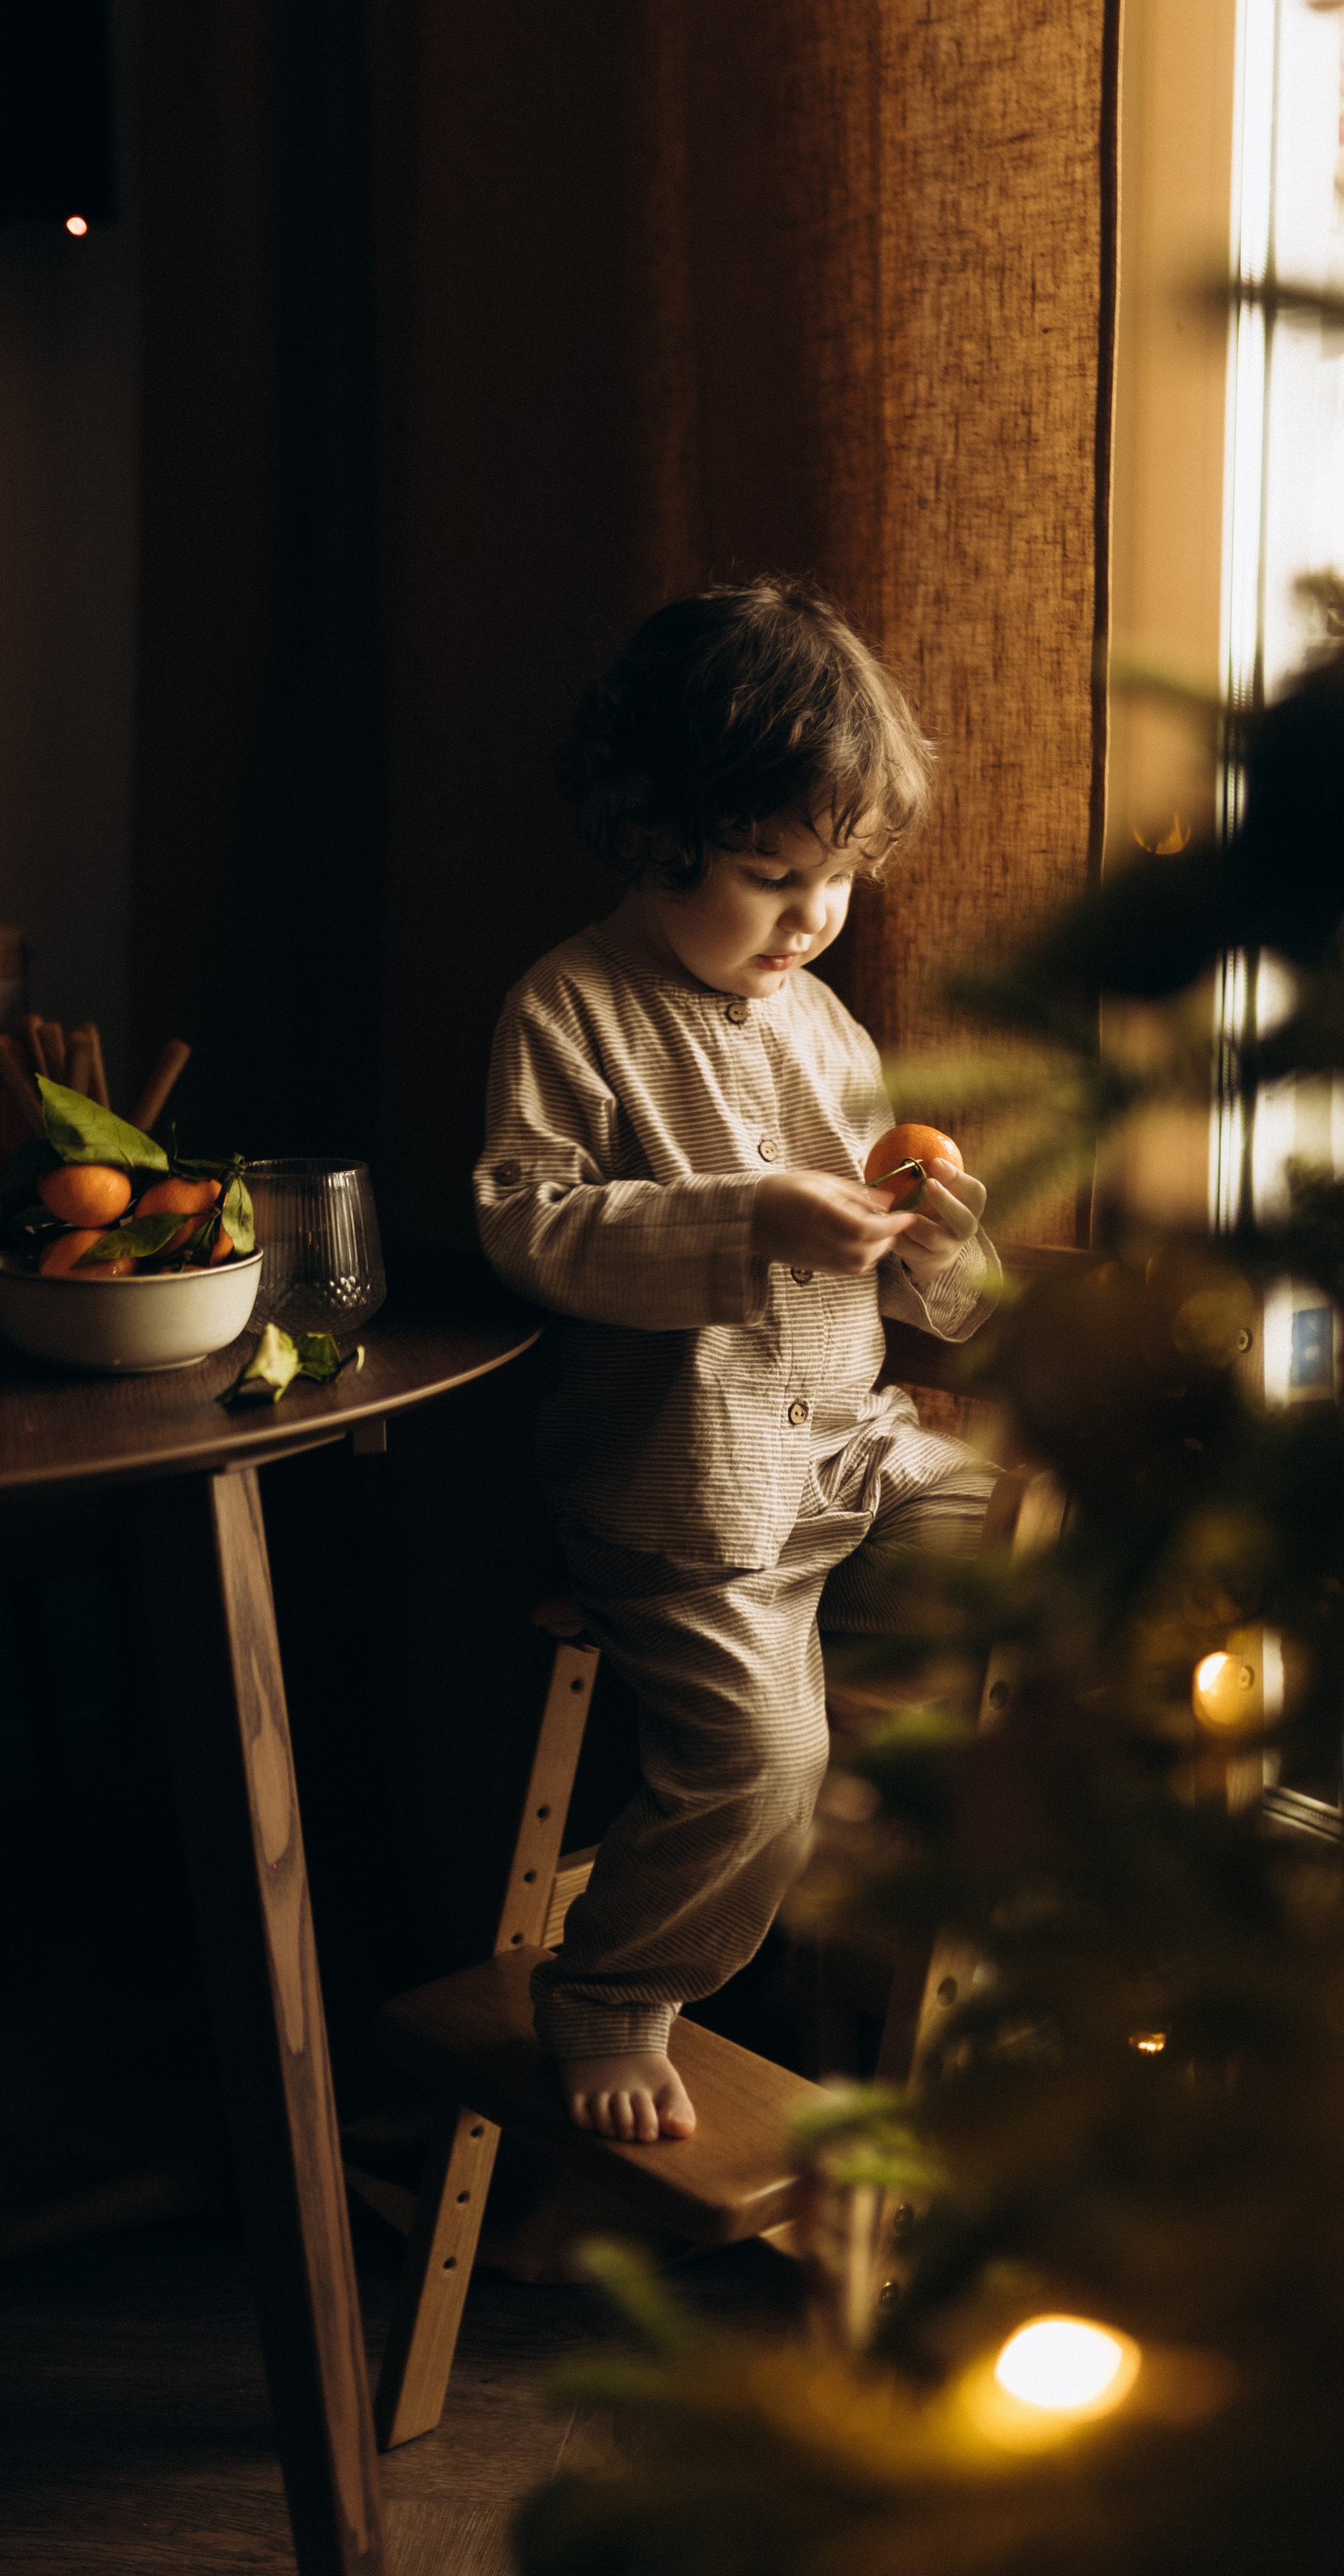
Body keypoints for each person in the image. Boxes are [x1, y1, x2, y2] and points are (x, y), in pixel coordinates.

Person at [474, 579, 998, 2146]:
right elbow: (529, 1226)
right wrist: (746, 1218)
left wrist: (936, 1247)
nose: (810, 918)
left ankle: (977, 1907)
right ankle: (611, 1993)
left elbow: (937, 1297)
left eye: (837, 880)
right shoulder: (569, 1011)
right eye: (773, 876)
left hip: (854, 1450)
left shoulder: (826, 1027)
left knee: (1054, 1553)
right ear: (654, 830)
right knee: (764, 1763)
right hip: (688, 1497)